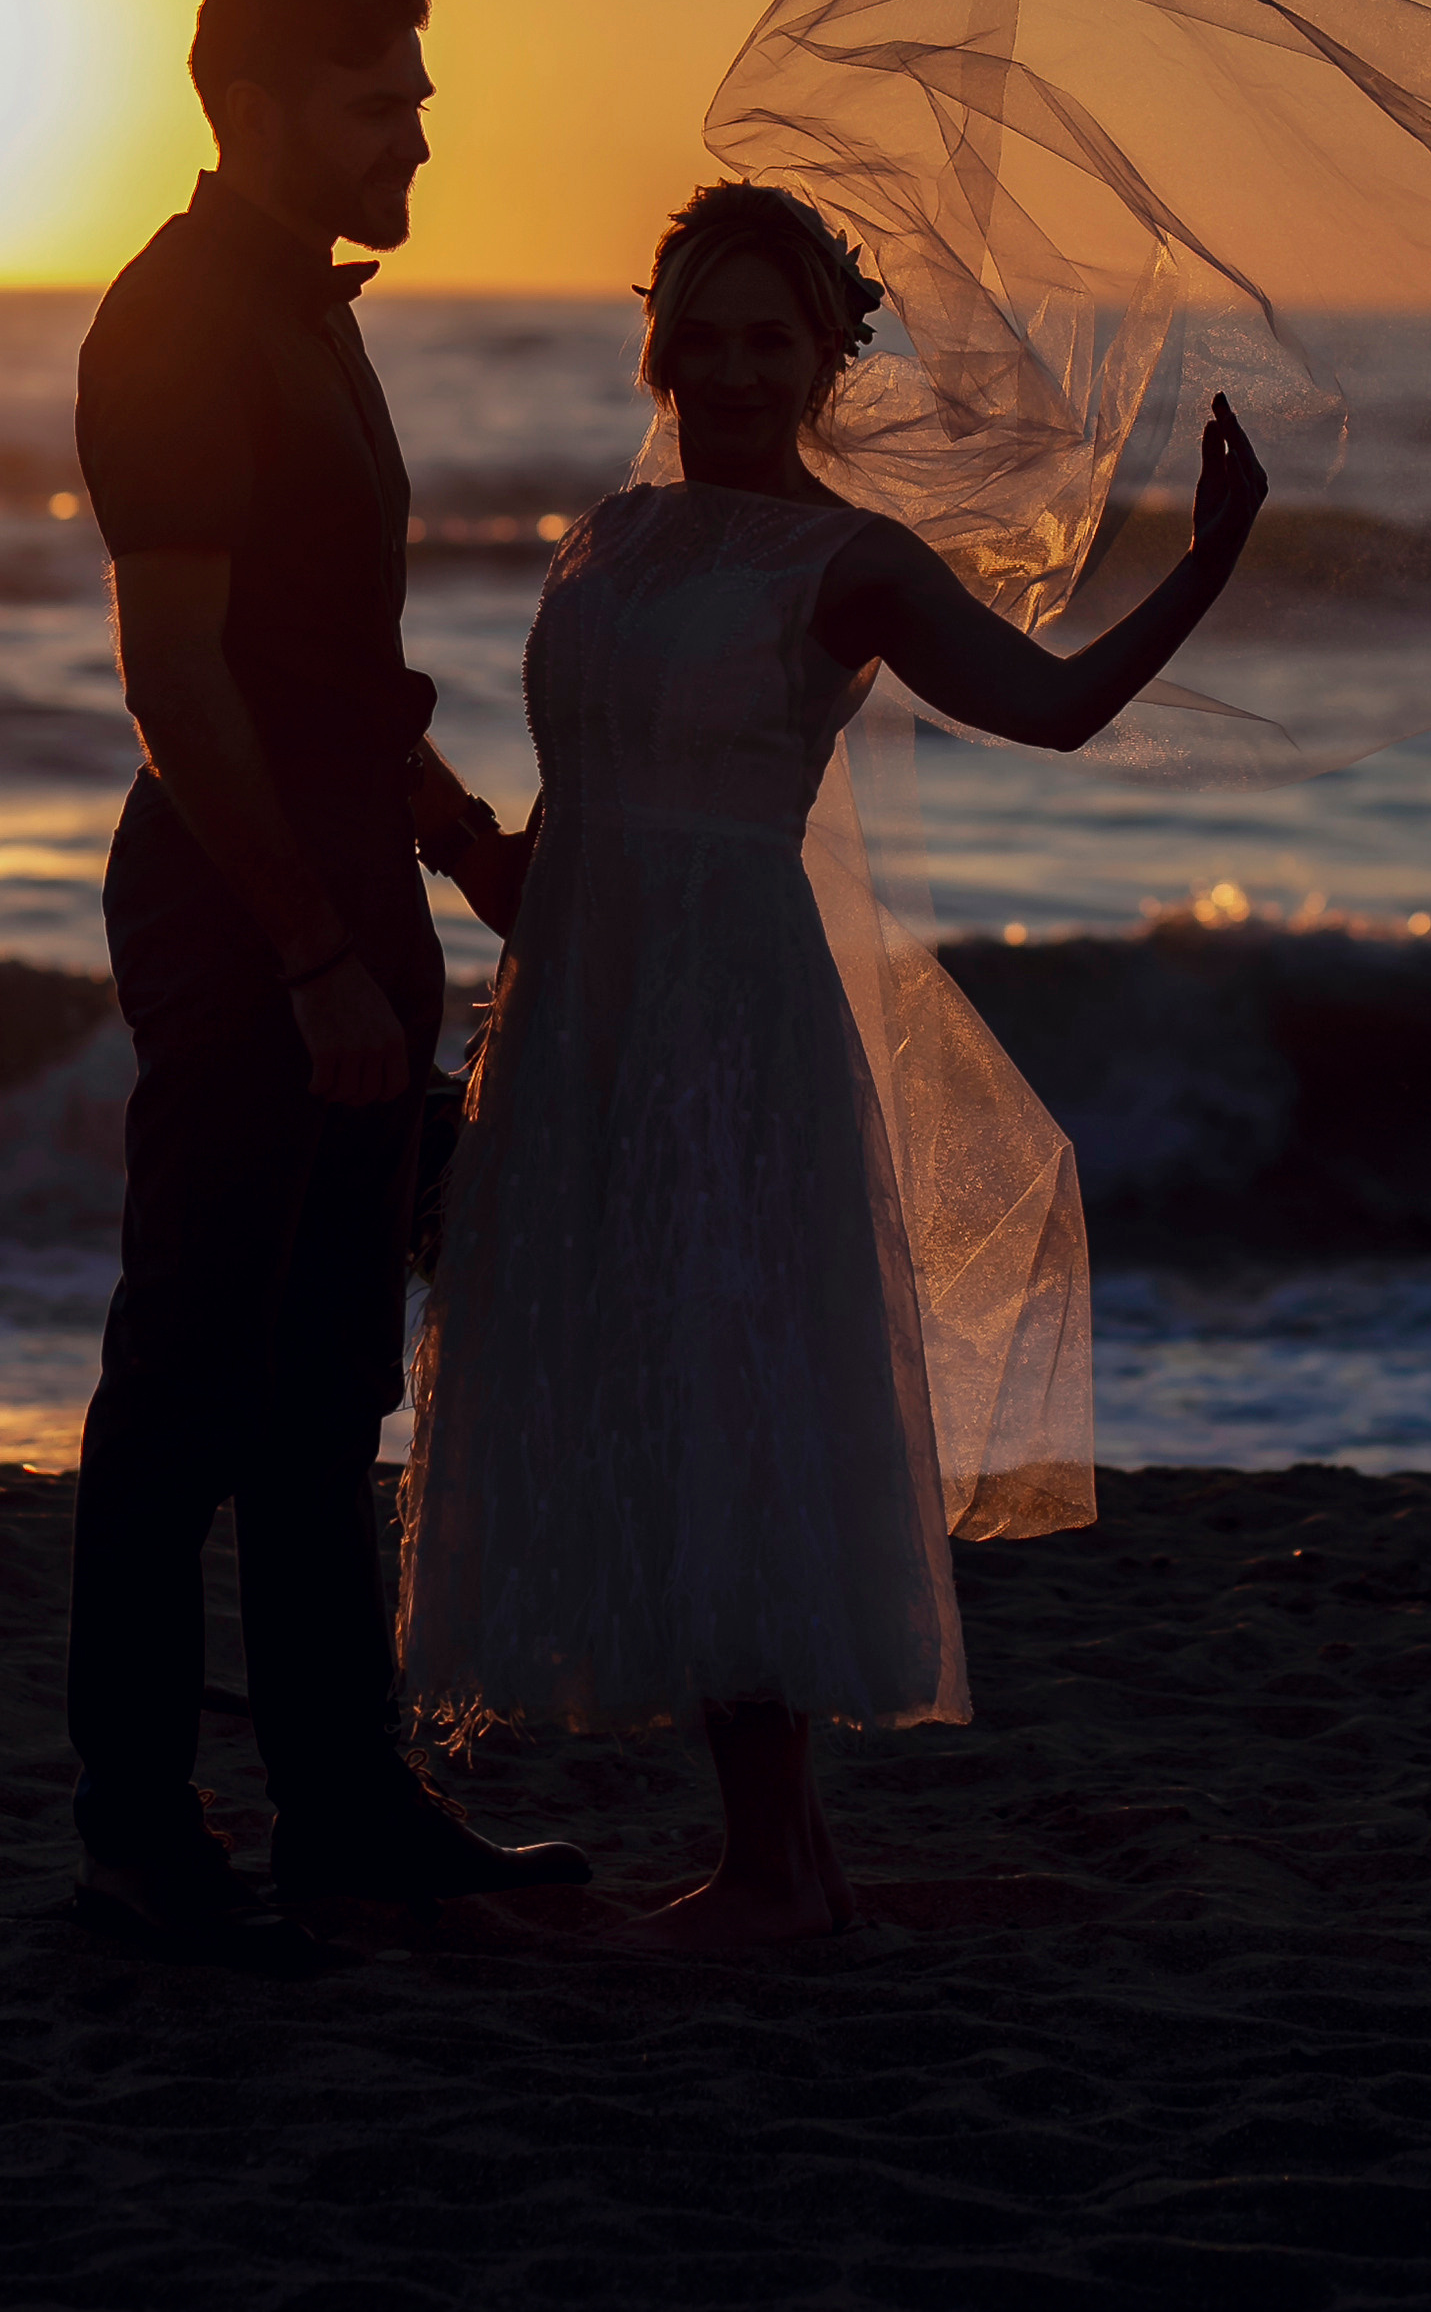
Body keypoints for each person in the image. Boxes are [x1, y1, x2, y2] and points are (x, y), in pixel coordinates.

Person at [397, 180, 1267, 1954]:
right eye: (697, 333)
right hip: (582, 998)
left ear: (826, 359)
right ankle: (774, 1856)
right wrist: (482, 876)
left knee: (735, 1376)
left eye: (765, 340)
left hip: (727, 1007)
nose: (725, 367)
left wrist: (1204, 564)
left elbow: (1050, 709)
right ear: (654, 337)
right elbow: (582, 783)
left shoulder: (848, 561)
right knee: (635, 1361)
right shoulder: (610, 533)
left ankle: (780, 1865)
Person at [66, 0, 589, 1977]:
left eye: (419, 104)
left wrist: (458, 847)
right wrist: (306, 959)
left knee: (322, 1392)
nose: (418, 143)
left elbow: (336, 665)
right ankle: (133, 1824)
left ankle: (344, 1814)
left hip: (342, 890)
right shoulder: (178, 320)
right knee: (184, 1382)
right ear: (256, 108)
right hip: (233, 901)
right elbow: (179, 687)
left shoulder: (307, 313)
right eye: (383, 108)